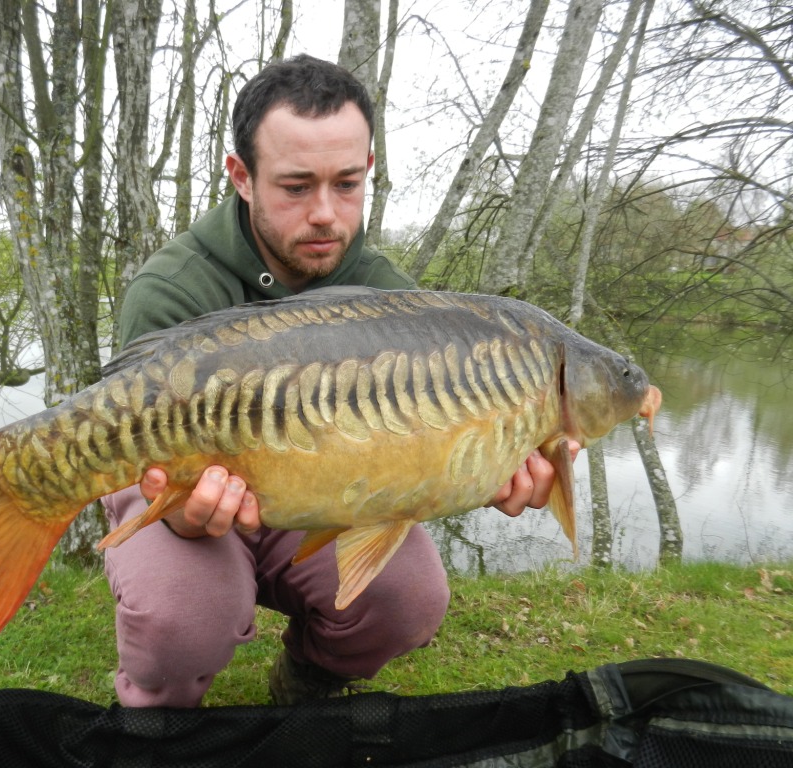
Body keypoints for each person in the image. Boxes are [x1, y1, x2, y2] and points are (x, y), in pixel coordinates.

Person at [102, 54, 567, 708]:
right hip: (186, 487)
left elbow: (417, 455)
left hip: (330, 488)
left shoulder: (391, 300)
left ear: (368, 170)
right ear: (242, 176)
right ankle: (156, 721)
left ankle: (306, 687)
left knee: (408, 598)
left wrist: (483, 465)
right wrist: (181, 512)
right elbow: (138, 459)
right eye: (296, 187)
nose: (326, 214)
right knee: (188, 613)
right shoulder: (174, 290)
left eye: (347, 184)